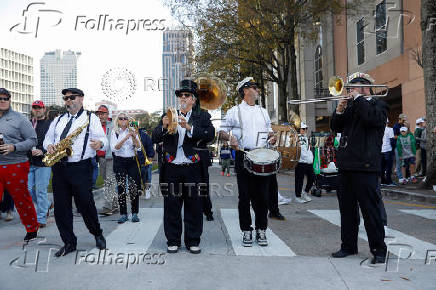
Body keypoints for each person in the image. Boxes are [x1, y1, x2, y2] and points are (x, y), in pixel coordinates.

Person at [330, 72, 388, 265]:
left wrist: (358, 98)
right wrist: (339, 109)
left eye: (355, 85)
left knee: (370, 211)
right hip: (346, 166)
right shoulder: (352, 106)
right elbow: (336, 127)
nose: (352, 88)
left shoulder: (377, 104)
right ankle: (348, 246)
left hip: (366, 166)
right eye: (351, 85)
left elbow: (373, 120)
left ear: (367, 86)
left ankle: (379, 249)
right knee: (347, 211)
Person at [152, 79, 215, 254]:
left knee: (194, 205)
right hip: (172, 167)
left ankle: (193, 240)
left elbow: (210, 135)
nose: (183, 98)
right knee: (171, 205)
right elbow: (154, 137)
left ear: (194, 99)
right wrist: (164, 126)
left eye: (187, 95)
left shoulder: (202, 115)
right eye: (181, 95)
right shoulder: (169, 115)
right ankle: (172, 240)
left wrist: (189, 127)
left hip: (193, 167)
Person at [43, 88, 107, 257]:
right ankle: (69, 242)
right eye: (66, 98)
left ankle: (97, 233)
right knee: (61, 208)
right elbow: (48, 139)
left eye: (72, 97)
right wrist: (48, 145)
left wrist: (100, 143)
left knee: (85, 204)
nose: (68, 101)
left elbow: (104, 139)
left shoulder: (91, 118)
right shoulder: (58, 120)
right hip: (59, 167)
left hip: (81, 167)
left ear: (81, 99)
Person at [218, 77, 277, 247]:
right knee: (244, 197)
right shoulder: (233, 111)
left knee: (263, 196)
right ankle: (246, 230)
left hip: (263, 156)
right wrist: (231, 138)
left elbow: (270, 131)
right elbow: (221, 132)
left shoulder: (263, 111)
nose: (258, 90)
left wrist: (272, 138)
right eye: (254, 87)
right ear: (245, 90)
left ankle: (261, 229)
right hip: (244, 156)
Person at [0, 88, 39, 241]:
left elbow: (33, 140)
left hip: (15, 164)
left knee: (21, 198)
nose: (2, 100)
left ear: (10, 100)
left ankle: (31, 228)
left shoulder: (19, 119)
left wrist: (13, 147)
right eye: (0, 98)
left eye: (6, 98)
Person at [111, 112, 142, 224]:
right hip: (119, 162)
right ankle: (123, 214)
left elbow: (138, 147)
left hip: (132, 161)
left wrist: (133, 136)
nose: (123, 120)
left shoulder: (133, 131)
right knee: (121, 188)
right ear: (117, 121)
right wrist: (125, 138)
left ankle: (134, 213)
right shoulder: (115, 132)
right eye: (121, 118)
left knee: (134, 187)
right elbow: (115, 148)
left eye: (125, 118)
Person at [28, 100, 52, 228]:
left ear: (44, 109)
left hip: (44, 163)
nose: (37, 110)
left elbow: (54, 142)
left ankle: (41, 218)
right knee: (28, 189)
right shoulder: (28, 123)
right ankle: (47, 205)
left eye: (39, 108)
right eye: (35, 108)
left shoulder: (50, 124)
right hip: (29, 162)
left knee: (41, 191)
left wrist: (42, 151)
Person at [294, 122, 315, 203]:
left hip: (308, 162)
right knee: (299, 180)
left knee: (312, 178)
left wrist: (310, 158)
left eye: (306, 128)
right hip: (300, 162)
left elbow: (307, 149)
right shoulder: (296, 137)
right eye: (303, 128)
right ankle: (298, 196)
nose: (305, 130)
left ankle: (305, 193)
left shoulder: (306, 138)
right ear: (299, 129)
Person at [137, 127, 155, 199]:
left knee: (146, 176)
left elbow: (150, 146)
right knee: (136, 177)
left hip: (144, 159)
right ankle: (138, 190)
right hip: (134, 160)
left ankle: (147, 190)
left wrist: (150, 156)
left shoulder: (144, 136)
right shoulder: (128, 135)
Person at [392, 114, 408, 182]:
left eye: (405, 120)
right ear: (400, 119)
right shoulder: (396, 126)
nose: (404, 121)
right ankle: (400, 178)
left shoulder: (403, 125)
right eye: (403, 120)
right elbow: (394, 136)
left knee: (404, 163)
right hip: (398, 146)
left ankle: (404, 177)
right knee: (399, 162)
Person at [380, 119, 395, 186]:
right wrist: (393, 149)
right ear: (387, 123)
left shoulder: (379, 130)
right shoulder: (390, 129)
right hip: (388, 150)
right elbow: (392, 140)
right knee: (389, 167)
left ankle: (383, 181)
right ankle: (389, 181)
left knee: (382, 167)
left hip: (381, 151)